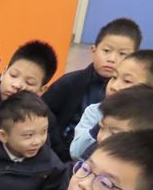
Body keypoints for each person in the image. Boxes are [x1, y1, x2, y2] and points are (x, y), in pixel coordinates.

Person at [44, 17, 141, 150]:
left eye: (122, 54)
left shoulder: (135, 93)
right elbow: (44, 114)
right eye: (106, 51)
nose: (112, 59)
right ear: (94, 51)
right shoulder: (69, 82)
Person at [69, 49, 153, 160]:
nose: (114, 86)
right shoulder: (95, 111)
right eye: (114, 77)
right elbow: (76, 152)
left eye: (127, 81)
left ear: (151, 90)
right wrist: (102, 124)